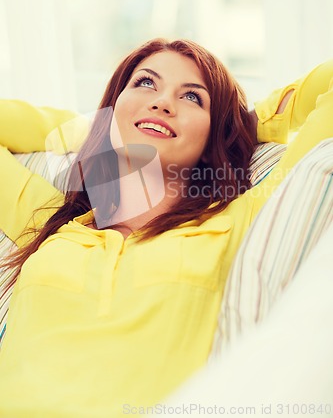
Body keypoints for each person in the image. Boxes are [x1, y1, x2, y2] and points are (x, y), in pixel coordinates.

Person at [0, 38, 332, 417]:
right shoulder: (47, 221)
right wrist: (94, 128)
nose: (162, 102)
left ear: (212, 137)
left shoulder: (237, 221)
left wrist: (242, 125)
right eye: (145, 83)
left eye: (193, 98)